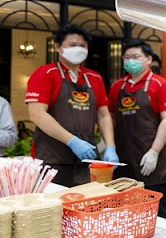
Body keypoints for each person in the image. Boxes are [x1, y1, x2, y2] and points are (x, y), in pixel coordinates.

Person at [26, 24, 118, 186]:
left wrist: (110, 146)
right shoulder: (45, 74)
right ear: (58, 47)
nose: (78, 49)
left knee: (86, 203)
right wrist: (72, 141)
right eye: (72, 45)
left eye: (83, 46)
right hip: (52, 157)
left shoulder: (94, 78)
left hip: (87, 158)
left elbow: (103, 115)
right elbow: (37, 114)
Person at [108, 39, 166, 220]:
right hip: (124, 159)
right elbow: (110, 118)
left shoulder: (159, 84)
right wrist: (108, 147)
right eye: (127, 57)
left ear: (148, 59)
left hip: (152, 162)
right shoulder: (117, 86)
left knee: (157, 212)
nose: (131, 61)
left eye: (136, 57)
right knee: (125, 212)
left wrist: (154, 152)